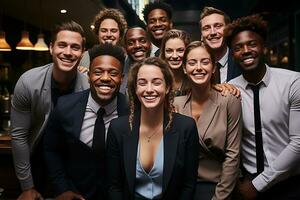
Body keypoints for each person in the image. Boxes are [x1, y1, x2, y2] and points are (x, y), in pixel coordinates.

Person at [10, 21, 89, 200]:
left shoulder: (88, 88)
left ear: (82, 53)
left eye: (75, 47)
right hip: (34, 163)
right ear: (51, 48)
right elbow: (19, 137)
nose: (68, 52)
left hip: (71, 171)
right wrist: (27, 186)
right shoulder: (28, 82)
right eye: (62, 45)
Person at [226, 14, 300, 200]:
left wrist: (258, 184)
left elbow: (298, 143)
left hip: (289, 183)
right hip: (247, 183)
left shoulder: (292, 82)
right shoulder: (229, 90)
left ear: (263, 47)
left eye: (252, 44)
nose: (245, 50)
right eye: (238, 47)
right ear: (233, 55)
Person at [106, 57, 199, 200]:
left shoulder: (186, 127)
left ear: (167, 87)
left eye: (156, 83)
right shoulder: (118, 128)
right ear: (135, 89)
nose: (149, 89)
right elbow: (114, 186)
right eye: (142, 83)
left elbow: (188, 185)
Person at [174, 41, 242, 200]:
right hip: (183, 189)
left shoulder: (229, 100)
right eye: (192, 63)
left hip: (219, 187)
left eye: (205, 62)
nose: (199, 67)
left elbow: (233, 155)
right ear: (184, 68)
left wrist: (220, 197)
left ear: (213, 67)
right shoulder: (175, 105)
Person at [199, 6, 241, 83]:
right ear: (201, 36)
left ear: (228, 30)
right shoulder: (196, 65)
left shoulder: (240, 60)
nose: (213, 32)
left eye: (218, 26)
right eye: (206, 28)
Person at [120, 26, 151, 94]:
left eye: (142, 41)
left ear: (150, 44)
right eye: (131, 43)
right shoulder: (120, 71)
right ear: (125, 48)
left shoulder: (161, 69)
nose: (137, 46)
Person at [160, 29, 190, 96]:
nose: (174, 56)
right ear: (163, 53)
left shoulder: (194, 79)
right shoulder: (157, 79)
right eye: (169, 51)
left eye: (180, 50)